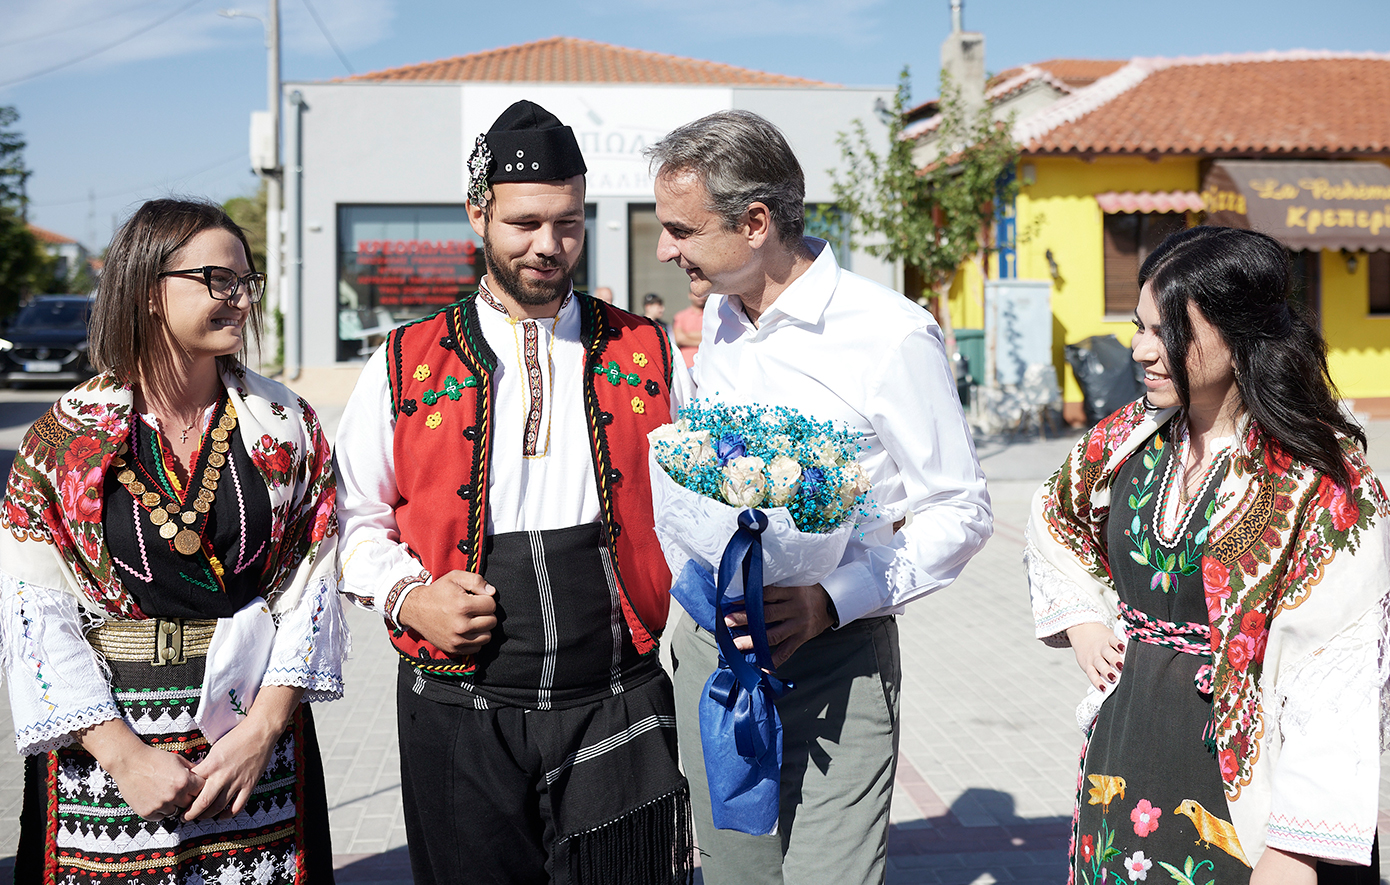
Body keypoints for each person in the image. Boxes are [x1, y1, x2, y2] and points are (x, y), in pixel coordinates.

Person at [335, 100, 695, 885]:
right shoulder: (403, 362)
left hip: (617, 689)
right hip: (458, 703)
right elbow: (350, 520)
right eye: (524, 223)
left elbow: (699, 509)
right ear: (477, 215)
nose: (548, 245)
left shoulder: (650, 351)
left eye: (567, 223)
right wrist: (408, 596)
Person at [648, 110, 992, 885]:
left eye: (682, 229)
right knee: (734, 875)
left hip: (836, 661)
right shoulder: (720, 323)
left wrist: (830, 600)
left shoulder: (891, 334)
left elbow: (962, 509)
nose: (667, 248)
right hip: (718, 655)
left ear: (756, 222)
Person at [1024, 226, 1389, 885]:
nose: (1140, 349)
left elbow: (1338, 674)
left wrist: (1296, 850)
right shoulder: (1125, 439)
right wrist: (1081, 617)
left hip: (1248, 793)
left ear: (1238, 331)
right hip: (1127, 753)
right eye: (1137, 326)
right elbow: (1054, 518)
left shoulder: (1325, 485)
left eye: (1164, 329)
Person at [0, 198, 346, 885]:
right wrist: (124, 756)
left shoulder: (287, 425)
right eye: (219, 280)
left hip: (254, 748)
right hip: (106, 750)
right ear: (149, 290)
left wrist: (261, 733)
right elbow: (31, 607)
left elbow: (316, 580)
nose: (240, 299)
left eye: (247, 282)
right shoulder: (62, 439)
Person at [671, 291, 707, 369]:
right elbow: (680, 339)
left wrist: (688, 335)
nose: (701, 297)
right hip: (686, 364)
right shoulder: (680, 316)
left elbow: (712, 336)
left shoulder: (711, 316)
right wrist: (704, 341)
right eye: (697, 294)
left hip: (706, 364)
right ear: (690, 295)